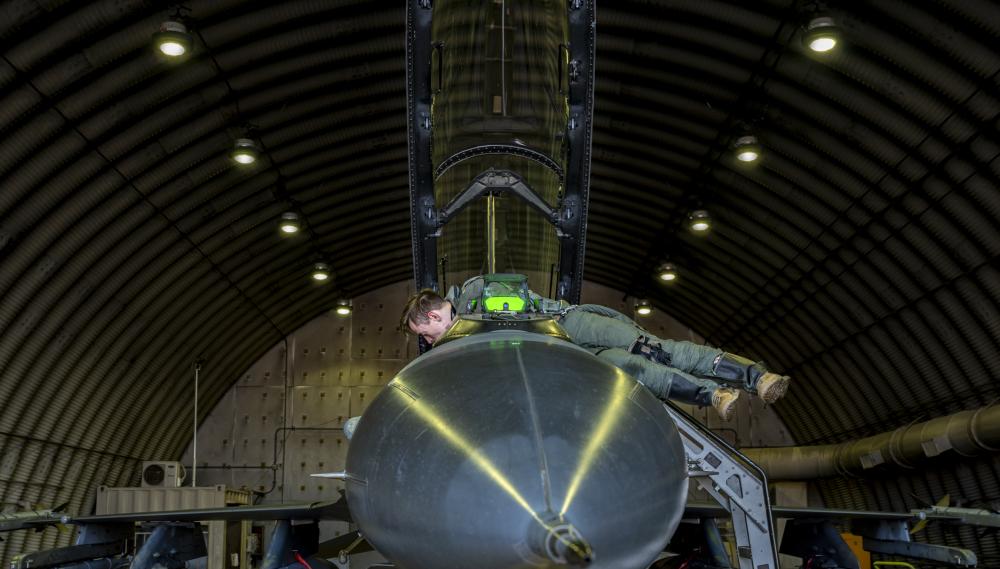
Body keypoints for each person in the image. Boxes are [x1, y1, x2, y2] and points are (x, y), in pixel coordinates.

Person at [398, 275, 790, 421]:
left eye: (427, 335)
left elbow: (514, 301)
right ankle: (714, 394)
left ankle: (755, 376)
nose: (430, 343)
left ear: (433, 317)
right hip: (573, 358)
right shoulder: (460, 341)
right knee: (636, 371)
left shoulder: (473, 291)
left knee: (654, 350)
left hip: (570, 325)